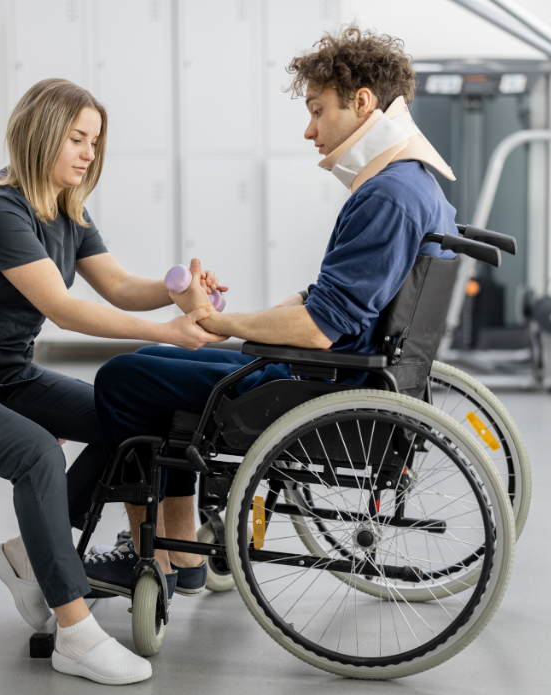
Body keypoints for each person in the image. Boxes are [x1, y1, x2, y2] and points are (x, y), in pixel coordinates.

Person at [86, 25, 458, 602]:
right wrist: (241, 321)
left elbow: (318, 327)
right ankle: (179, 548)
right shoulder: (416, 187)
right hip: (350, 373)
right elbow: (333, 300)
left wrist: (226, 325)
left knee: (122, 378)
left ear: (362, 103)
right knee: (155, 357)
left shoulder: (384, 196)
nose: (309, 130)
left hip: (316, 386)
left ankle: (156, 554)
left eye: (317, 110)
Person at [0, 78, 228, 686]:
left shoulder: (67, 206)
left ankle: (30, 555)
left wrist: (177, 291)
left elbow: (118, 286)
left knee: (131, 423)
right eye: (77, 138)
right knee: (37, 453)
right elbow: (66, 310)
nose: (89, 153)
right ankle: (74, 631)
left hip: (5, 374)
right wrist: (167, 332)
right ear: (40, 134)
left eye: (94, 141)